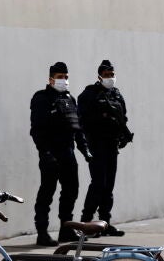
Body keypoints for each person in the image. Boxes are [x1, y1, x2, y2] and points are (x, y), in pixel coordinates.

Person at [30, 62, 93, 246]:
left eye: (66, 77)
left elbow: (77, 128)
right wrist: (45, 153)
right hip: (51, 153)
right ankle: (42, 232)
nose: (63, 80)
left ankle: (66, 229)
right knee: (46, 193)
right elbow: (37, 130)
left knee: (71, 191)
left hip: (68, 152)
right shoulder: (41, 98)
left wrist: (85, 150)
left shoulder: (70, 99)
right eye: (59, 77)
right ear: (50, 79)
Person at [78, 60, 133, 237]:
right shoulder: (89, 94)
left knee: (108, 185)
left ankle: (105, 223)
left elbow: (122, 116)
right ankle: (85, 223)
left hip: (111, 145)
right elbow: (83, 120)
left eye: (112, 75)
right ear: (99, 76)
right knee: (98, 184)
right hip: (96, 145)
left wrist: (123, 135)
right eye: (107, 75)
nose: (110, 78)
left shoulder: (116, 94)